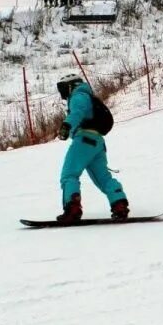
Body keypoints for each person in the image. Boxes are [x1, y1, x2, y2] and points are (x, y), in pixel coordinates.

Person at [54, 73, 128, 223]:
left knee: (69, 175)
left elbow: (77, 112)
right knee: (104, 178)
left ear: (70, 85)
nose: (62, 94)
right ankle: (119, 204)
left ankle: (72, 209)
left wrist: (66, 125)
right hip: (97, 143)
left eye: (62, 89)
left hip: (84, 140)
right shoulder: (87, 96)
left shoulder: (78, 95)